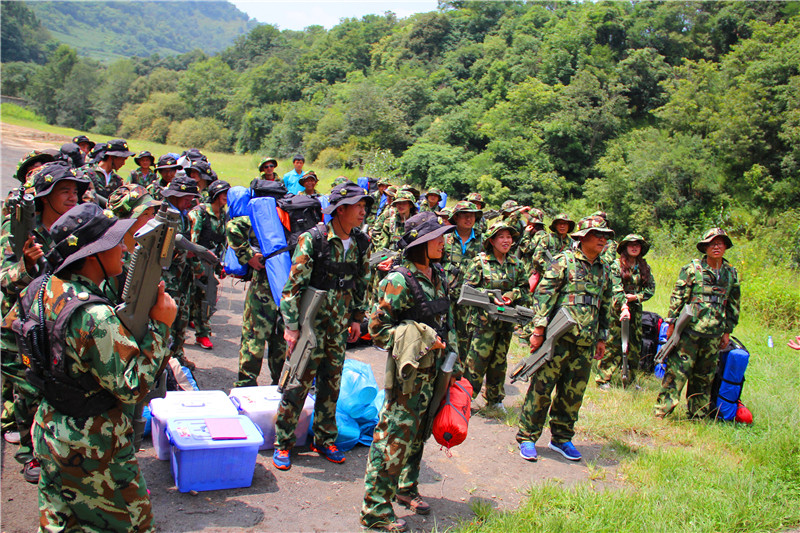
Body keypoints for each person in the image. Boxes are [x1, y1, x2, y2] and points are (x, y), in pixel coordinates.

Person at [1, 202, 176, 531]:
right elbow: (132, 387)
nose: (124, 248)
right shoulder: (94, 315)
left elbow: (10, 342)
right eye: (115, 243)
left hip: (50, 429)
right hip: (95, 446)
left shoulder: (41, 289)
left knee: (59, 523)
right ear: (92, 254)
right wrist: (161, 326)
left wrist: (47, 386)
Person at [361, 211, 460, 532]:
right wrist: (421, 337)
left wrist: (454, 362)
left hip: (436, 372)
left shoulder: (438, 274)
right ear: (420, 243)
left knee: (419, 433)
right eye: (436, 238)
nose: (443, 242)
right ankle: (375, 508)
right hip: (408, 376)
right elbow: (377, 331)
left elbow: (448, 321)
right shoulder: (398, 281)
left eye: (443, 237)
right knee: (393, 437)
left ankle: (406, 487)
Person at [0, 162, 90, 483]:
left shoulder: (74, 230)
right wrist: (25, 266)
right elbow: (4, 279)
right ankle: (31, 453)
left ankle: (54, 448)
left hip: (56, 322)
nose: (72, 197)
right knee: (28, 389)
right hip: (20, 324)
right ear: (45, 196)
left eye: (75, 191)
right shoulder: (20, 230)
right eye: (64, 191)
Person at [272, 182, 372, 470]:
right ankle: (284, 441)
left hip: (338, 329)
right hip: (309, 327)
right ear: (340, 210)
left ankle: (325, 438)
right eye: (357, 206)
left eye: (364, 207)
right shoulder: (313, 239)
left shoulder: (362, 243)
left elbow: (362, 283)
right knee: (297, 383)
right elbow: (293, 287)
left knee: (331, 384)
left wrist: (357, 318)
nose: (362, 212)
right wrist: (291, 326)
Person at [517, 215, 616, 462]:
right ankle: (527, 436)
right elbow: (544, 295)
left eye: (605, 236)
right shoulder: (564, 261)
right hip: (557, 340)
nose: (602, 240)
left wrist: (602, 338)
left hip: (586, 342)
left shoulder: (604, 269)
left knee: (573, 393)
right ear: (583, 237)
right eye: (597, 235)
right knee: (541, 388)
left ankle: (561, 438)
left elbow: (605, 304)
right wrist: (538, 330)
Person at [654, 228, 740, 419]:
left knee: (705, 376)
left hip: (714, 335)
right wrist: (671, 324)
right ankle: (662, 411)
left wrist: (727, 331)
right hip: (689, 333)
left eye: (720, 243)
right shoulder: (692, 269)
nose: (716, 247)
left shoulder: (730, 273)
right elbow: (678, 297)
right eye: (712, 243)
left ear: (725, 246)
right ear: (705, 247)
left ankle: (698, 414)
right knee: (676, 373)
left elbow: (733, 304)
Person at [226, 183, 288, 387]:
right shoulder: (286, 216)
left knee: (256, 337)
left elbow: (232, 227)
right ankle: (277, 385)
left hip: (266, 288)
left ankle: (250, 384)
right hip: (283, 288)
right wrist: (249, 256)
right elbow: (233, 227)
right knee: (278, 339)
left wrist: (248, 256)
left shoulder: (266, 217)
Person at [463, 221, 528, 411]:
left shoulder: (517, 264)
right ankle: (465, 399)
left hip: (505, 323)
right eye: (501, 237)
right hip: (482, 323)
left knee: (499, 363)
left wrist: (511, 295)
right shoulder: (480, 262)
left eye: (509, 237)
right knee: (475, 363)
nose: (506, 241)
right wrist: (491, 296)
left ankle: (495, 399)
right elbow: (468, 289)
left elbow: (525, 290)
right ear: (492, 241)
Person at [596, 234, 656, 389]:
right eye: (631, 245)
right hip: (617, 309)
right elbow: (615, 288)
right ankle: (603, 379)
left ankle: (631, 379)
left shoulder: (644, 267)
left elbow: (651, 289)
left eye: (637, 245)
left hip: (636, 310)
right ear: (625, 248)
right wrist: (624, 304)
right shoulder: (616, 266)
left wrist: (636, 297)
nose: (634, 247)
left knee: (635, 344)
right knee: (613, 342)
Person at [160, 175, 203, 370]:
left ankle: (177, 354)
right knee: (167, 319)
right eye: (186, 198)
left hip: (183, 276)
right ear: (174, 196)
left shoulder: (183, 215)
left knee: (182, 317)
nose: (190, 202)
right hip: (167, 278)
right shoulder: (164, 215)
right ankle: (164, 360)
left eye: (192, 199)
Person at [188, 180, 230, 350]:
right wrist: (196, 266)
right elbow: (192, 243)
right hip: (191, 262)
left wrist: (220, 266)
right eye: (223, 194)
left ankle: (202, 333)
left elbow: (222, 243)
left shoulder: (223, 215)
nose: (226, 197)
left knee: (205, 299)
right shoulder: (200, 213)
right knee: (185, 299)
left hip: (209, 263)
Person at [442, 200, 484, 357]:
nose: (469, 219)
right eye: (465, 215)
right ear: (456, 217)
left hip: (470, 299)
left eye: (472, 216)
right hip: (446, 295)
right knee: (443, 331)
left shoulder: (482, 241)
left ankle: (460, 367)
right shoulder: (445, 238)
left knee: (465, 337)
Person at [79, 139, 133, 205]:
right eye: (122, 159)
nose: (123, 163)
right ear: (112, 157)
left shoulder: (117, 180)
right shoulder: (86, 173)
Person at [531, 213, 575, 278]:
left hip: (566, 276)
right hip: (547, 275)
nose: (562, 226)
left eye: (565, 223)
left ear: (569, 226)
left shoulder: (572, 243)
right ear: (555, 225)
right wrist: (549, 270)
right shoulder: (547, 239)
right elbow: (536, 258)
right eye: (560, 223)